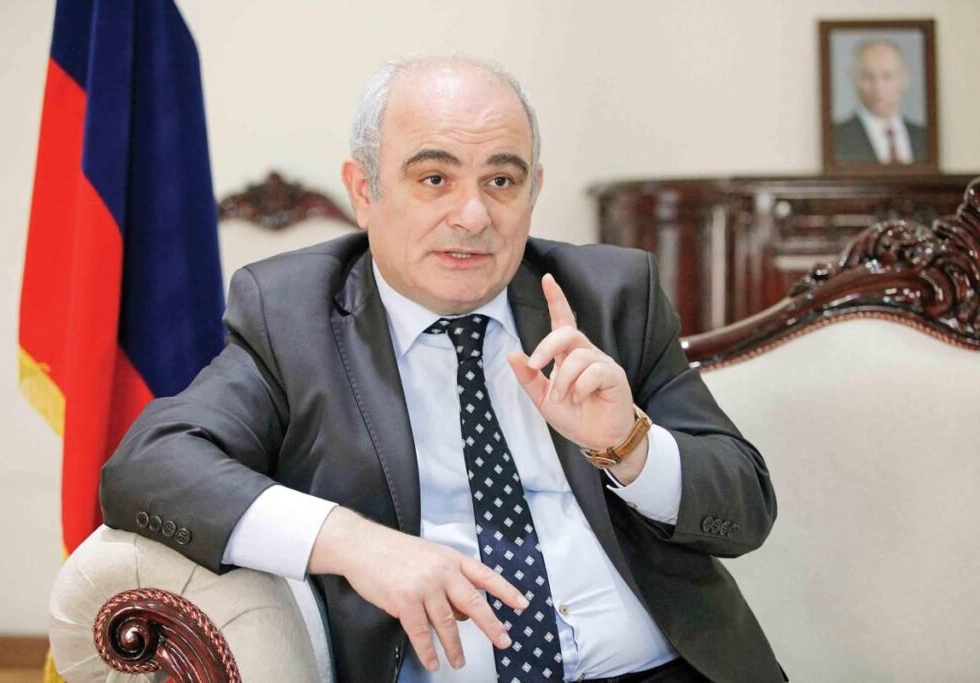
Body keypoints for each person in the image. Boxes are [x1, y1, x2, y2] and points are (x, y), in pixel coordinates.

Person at [100, 56, 783, 683]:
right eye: (434, 179)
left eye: (502, 181)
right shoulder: (293, 314)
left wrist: (628, 445)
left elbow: (746, 511)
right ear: (364, 190)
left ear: (534, 190)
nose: (473, 215)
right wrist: (355, 543)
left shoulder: (610, 297)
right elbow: (151, 465)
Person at [833, 38, 929, 164]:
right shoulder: (835, 138)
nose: (878, 88)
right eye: (868, 77)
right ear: (854, 80)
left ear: (905, 79)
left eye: (887, 76)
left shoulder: (925, 137)